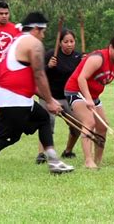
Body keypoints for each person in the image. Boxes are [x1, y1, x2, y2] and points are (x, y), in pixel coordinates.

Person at [0, 12, 74, 175]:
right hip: (13, 98)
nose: (44, 36)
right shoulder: (33, 43)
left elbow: (28, 80)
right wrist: (51, 101)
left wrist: (48, 99)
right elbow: (39, 75)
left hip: (15, 97)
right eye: (43, 31)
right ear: (37, 29)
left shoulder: (17, 40)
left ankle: (54, 161)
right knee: (6, 137)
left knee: (43, 118)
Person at [64, 35, 114, 169]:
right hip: (76, 92)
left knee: (102, 126)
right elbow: (82, 78)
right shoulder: (98, 58)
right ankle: (88, 161)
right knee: (89, 122)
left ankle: (97, 160)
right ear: (110, 47)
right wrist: (88, 99)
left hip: (93, 96)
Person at [35, 29, 82, 164]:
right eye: (66, 41)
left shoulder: (78, 57)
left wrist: (84, 63)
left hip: (69, 97)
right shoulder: (51, 55)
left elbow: (84, 75)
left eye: (71, 41)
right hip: (48, 96)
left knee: (77, 125)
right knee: (47, 124)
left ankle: (68, 151)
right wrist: (49, 66)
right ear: (60, 43)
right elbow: (38, 72)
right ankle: (42, 154)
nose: (69, 44)